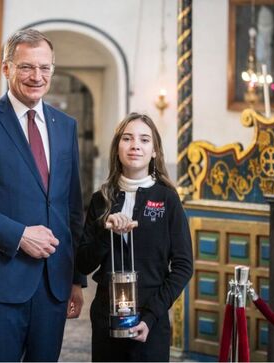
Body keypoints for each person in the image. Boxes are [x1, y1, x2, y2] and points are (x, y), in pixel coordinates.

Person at [0, 29, 85, 362]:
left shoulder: (65, 126)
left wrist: (76, 279)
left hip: (54, 283)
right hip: (1, 280)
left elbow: (72, 208)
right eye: (26, 67)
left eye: (45, 67)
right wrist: (19, 235)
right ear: (6, 69)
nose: (37, 76)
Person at [76, 113, 193, 362]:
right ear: (117, 147)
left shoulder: (167, 199)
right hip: (106, 317)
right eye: (127, 138)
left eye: (144, 139)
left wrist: (151, 316)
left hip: (151, 318)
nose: (135, 145)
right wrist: (106, 232)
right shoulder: (101, 199)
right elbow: (83, 263)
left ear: (154, 151)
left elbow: (183, 267)